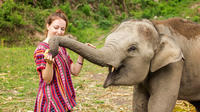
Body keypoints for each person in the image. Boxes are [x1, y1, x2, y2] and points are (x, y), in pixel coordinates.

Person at [33, 9, 84, 112]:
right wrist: (49, 64)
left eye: (62, 29)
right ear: (48, 26)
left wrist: (82, 53)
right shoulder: (41, 50)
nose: (59, 32)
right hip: (51, 103)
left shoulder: (62, 47)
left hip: (64, 101)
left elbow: (74, 71)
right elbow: (47, 79)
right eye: (56, 27)